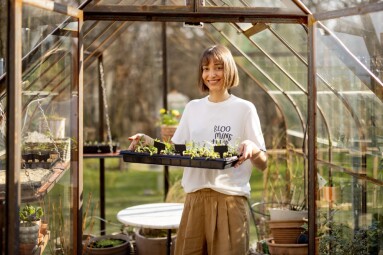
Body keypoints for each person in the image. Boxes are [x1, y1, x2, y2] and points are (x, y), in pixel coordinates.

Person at [128, 45, 267, 255]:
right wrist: (148, 142)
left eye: (218, 68)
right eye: (205, 68)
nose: (211, 74)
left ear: (229, 69)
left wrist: (253, 149)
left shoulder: (244, 109)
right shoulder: (193, 108)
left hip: (229, 202)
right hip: (195, 201)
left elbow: (263, 163)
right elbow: (176, 150)